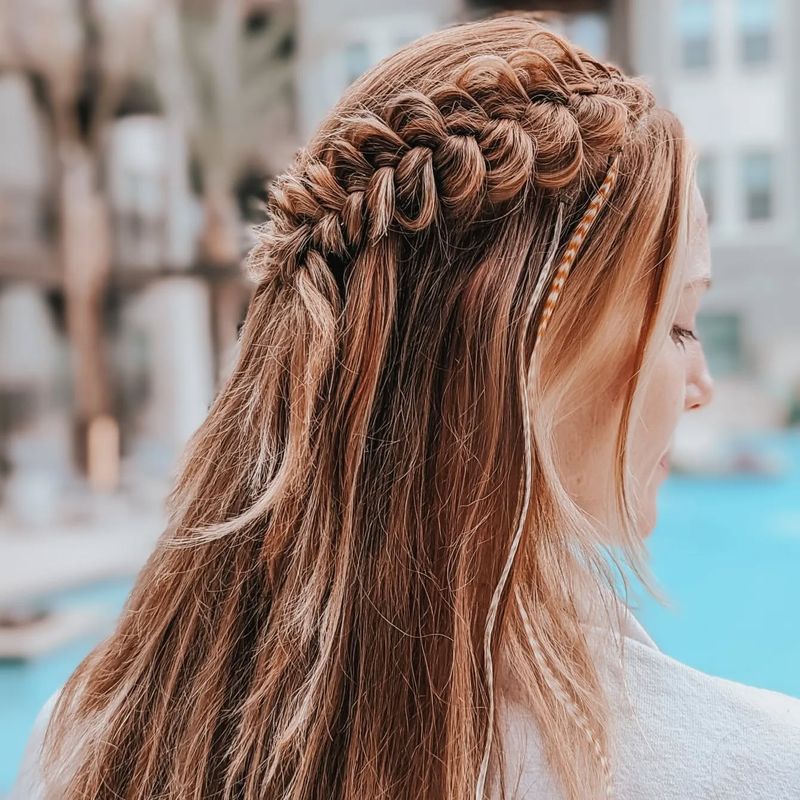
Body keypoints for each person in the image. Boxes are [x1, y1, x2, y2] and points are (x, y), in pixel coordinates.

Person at [11, 13, 800, 800]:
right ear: (536, 354)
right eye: (680, 324)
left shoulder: (83, 734)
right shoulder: (753, 766)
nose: (702, 386)